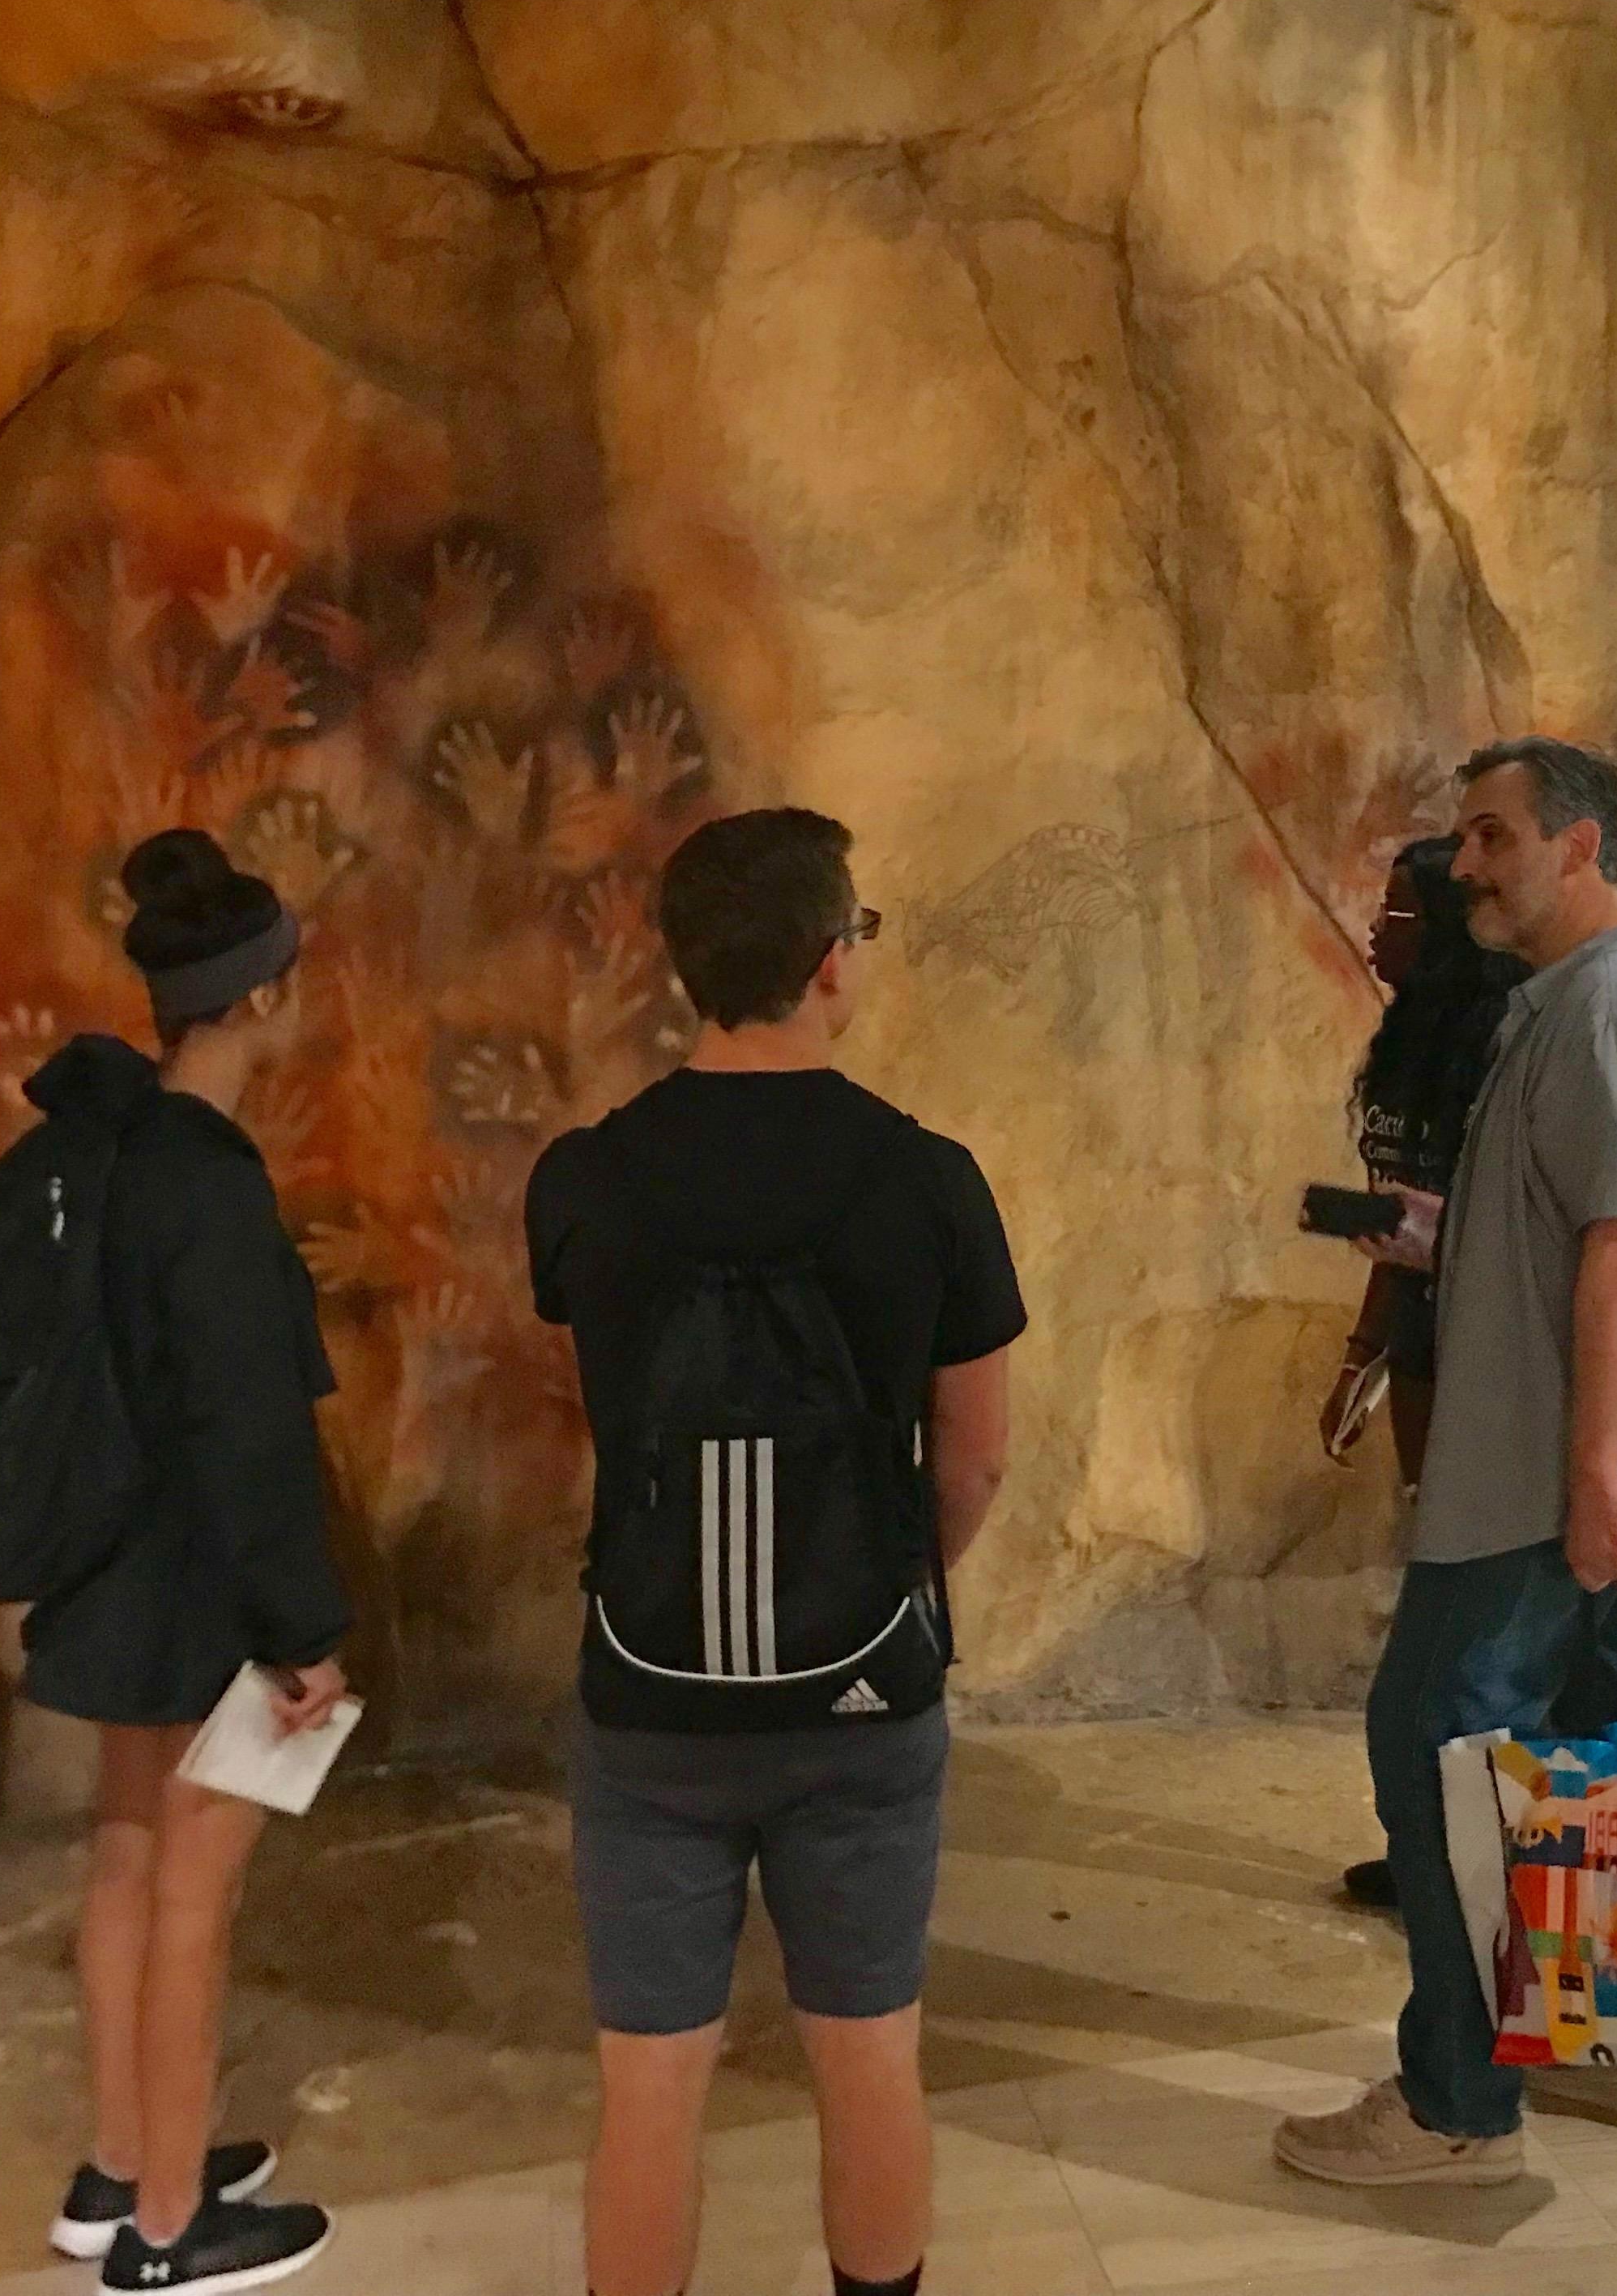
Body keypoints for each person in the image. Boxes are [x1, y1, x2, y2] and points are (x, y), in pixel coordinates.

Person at [526, 808, 1026, 2296]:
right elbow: (980, 1453)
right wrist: (890, 1580)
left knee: (649, 2081)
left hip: (650, 1699)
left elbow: (603, 1404)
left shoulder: (583, 1180)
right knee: (871, 2055)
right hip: (865, 1694)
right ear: (830, 962)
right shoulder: (930, 1179)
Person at [1276, 736, 1617, 2187]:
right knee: (1615, 1745)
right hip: (1586, 1473)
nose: (1462, 864)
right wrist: (1436, 1235)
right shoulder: (1581, 1005)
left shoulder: (1606, 1009)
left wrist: (1593, 1469)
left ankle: (1457, 2108)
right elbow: (1580, 1224)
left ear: (1582, 848)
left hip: (1546, 1482)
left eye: (1490, 837)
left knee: (1432, 1737)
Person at [16, 827, 352, 2290]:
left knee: (127, 1860)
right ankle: (167, 2232)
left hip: (105, 1567)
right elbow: (248, 1434)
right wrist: (303, 1635)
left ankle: (121, 2166)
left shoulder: (109, 1146)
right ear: (262, 999)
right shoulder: (209, 1181)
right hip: (200, 1588)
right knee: (194, 1895)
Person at [1324, 834, 1527, 1912]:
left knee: (1462, 1639)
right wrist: (1364, 1350)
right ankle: (1433, 1853)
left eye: (1396, 912)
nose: (1374, 928)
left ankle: (1462, 1867)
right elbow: (1399, 1221)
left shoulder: (1499, 1047)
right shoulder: (1409, 1041)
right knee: (1435, 1610)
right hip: (1421, 1350)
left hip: (1483, 1370)